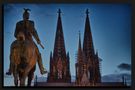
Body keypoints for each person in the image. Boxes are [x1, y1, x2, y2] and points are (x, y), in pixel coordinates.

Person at [6, 8, 47, 75]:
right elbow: (15, 34)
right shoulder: (18, 24)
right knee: (12, 50)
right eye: (25, 15)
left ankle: (41, 69)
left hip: (30, 41)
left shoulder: (32, 23)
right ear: (23, 16)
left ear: (29, 16)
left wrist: (38, 40)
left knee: (38, 54)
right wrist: (20, 35)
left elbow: (34, 32)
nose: (26, 16)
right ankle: (10, 69)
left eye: (27, 15)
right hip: (20, 40)